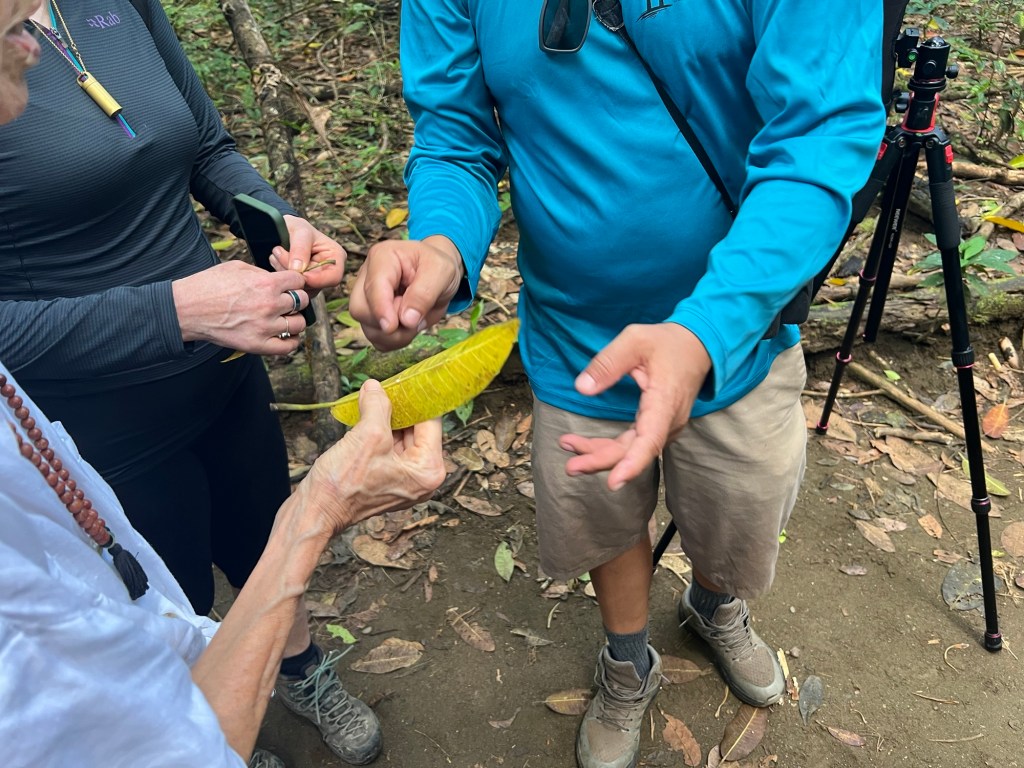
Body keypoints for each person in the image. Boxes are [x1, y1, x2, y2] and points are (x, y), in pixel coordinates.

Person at [349, 2, 887, 767]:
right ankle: (628, 659)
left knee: (737, 511)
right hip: (579, 338)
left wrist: (707, 329)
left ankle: (714, 605)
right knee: (601, 512)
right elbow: (456, 136)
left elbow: (821, 135)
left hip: (739, 333)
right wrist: (441, 242)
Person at [0, 0, 380, 763]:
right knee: (169, 599)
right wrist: (175, 311)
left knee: (264, 534)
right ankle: (208, 733)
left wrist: (278, 225)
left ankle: (298, 670)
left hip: (226, 368)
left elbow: (205, 144)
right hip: (100, 430)